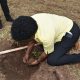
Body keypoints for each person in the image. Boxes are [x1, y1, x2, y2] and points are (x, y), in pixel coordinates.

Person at [11, 13, 80, 66]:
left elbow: (46, 52)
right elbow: (31, 41)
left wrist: (37, 61)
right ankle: (69, 43)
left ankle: (77, 56)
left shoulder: (46, 36)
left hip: (71, 32)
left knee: (52, 60)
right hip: (60, 28)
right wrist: (27, 54)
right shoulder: (29, 22)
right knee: (43, 46)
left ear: (31, 35)